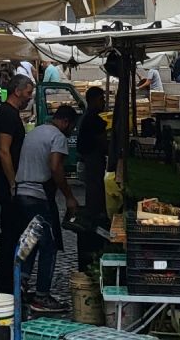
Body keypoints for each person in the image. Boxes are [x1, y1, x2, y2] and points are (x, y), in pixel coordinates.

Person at [13, 105, 78, 311]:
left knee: (31, 241)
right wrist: (69, 197)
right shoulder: (57, 137)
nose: (71, 131)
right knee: (48, 246)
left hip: (21, 193)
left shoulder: (36, 132)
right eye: (71, 127)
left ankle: (20, 286)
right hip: (37, 197)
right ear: (65, 122)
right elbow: (55, 166)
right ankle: (42, 295)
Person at [0, 74, 33, 295]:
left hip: (5, 178)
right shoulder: (7, 114)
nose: (29, 97)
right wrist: (12, 182)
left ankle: (6, 278)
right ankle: (5, 281)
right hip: (4, 178)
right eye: (28, 92)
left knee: (12, 229)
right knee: (10, 230)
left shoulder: (10, 113)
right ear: (17, 91)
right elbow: (4, 151)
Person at [75, 87, 110, 266]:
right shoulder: (93, 120)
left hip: (90, 160)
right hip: (92, 161)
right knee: (95, 188)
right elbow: (103, 142)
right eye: (101, 98)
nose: (103, 101)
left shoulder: (88, 118)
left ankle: (94, 213)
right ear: (94, 100)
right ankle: (94, 217)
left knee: (93, 188)